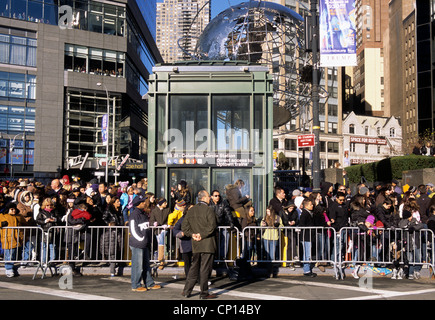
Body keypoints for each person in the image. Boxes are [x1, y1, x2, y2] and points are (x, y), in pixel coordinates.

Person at [181, 190, 217, 299]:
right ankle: (204, 293)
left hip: (196, 243)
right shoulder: (209, 210)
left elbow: (184, 227)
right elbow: (212, 226)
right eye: (208, 196)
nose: (210, 198)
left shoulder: (191, 211)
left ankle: (187, 291)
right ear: (204, 198)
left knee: (194, 267)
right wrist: (201, 235)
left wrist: (192, 235)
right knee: (205, 269)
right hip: (207, 243)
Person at [129, 194, 161, 292]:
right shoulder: (134, 214)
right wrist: (141, 239)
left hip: (144, 243)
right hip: (138, 243)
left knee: (146, 265)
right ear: (138, 204)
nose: (144, 203)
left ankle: (149, 283)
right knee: (137, 265)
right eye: (142, 202)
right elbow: (133, 229)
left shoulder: (142, 213)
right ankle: (136, 285)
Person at [0, 202, 27, 277]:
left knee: (14, 254)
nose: (13, 211)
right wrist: (1, 224)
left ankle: (12, 267)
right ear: (8, 210)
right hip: (8, 239)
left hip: (17, 238)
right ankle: (8, 269)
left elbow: (25, 224)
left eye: (14, 209)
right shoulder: (3, 216)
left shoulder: (19, 216)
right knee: (8, 255)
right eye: (12, 209)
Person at [101, 196, 125, 277]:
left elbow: (121, 219)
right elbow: (103, 218)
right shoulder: (109, 210)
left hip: (119, 231)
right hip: (111, 232)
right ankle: (112, 269)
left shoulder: (120, 210)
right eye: (117, 202)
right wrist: (109, 223)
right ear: (113, 202)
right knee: (112, 250)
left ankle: (119, 266)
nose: (119, 203)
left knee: (119, 248)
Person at [209, 190, 234, 261]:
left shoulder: (223, 203)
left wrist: (231, 222)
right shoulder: (209, 204)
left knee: (225, 238)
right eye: (215, 196)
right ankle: (213, 258)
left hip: (222, 225)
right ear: (212, 197)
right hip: (211, 226)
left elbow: (228, 213)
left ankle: (222, 258)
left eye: (219, 196)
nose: (218, 197)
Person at [260, 205, 283, 277]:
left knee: (272, 255)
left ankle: (273, 271)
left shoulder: (278, 218)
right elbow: (260, 227)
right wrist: (263, 225)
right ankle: (268, 271)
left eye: (269, 211)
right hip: (266, 237)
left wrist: (278, 225)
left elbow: (282, 227)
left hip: (274, 237)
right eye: (267, 211)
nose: (268, 213)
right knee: (267, 255)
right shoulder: (264, 218)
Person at [150, 198, 170, 270]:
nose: (166, 204)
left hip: (164, 229)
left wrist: (167, 224)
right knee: (159, 242)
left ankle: (161, 260)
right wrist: (154, 223)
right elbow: (151, 220)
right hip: (157, 230)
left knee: (161, 240)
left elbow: (169, 219)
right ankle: (160, 260)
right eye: (164, 203)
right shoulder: (154, 211)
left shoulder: (167, 210)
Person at [299, 197, 317, 277]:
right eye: (310, 204)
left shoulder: (309, 212)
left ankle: (307, 268)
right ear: (306, 205)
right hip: (306, 236)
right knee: (307, 253)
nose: (312, 205)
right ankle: (307, 270)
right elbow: (302, 224)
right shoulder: (304, 213)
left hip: (309, 236)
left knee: (307, 252)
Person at [173, 211, 192, 277]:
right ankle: (189, 277)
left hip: (196, 243)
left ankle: (197, 277)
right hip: (185, 243)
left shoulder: (197, 218)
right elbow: (175, 230)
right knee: (187, 262)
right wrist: (181, 233)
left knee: (196, 262)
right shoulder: (182, 219)